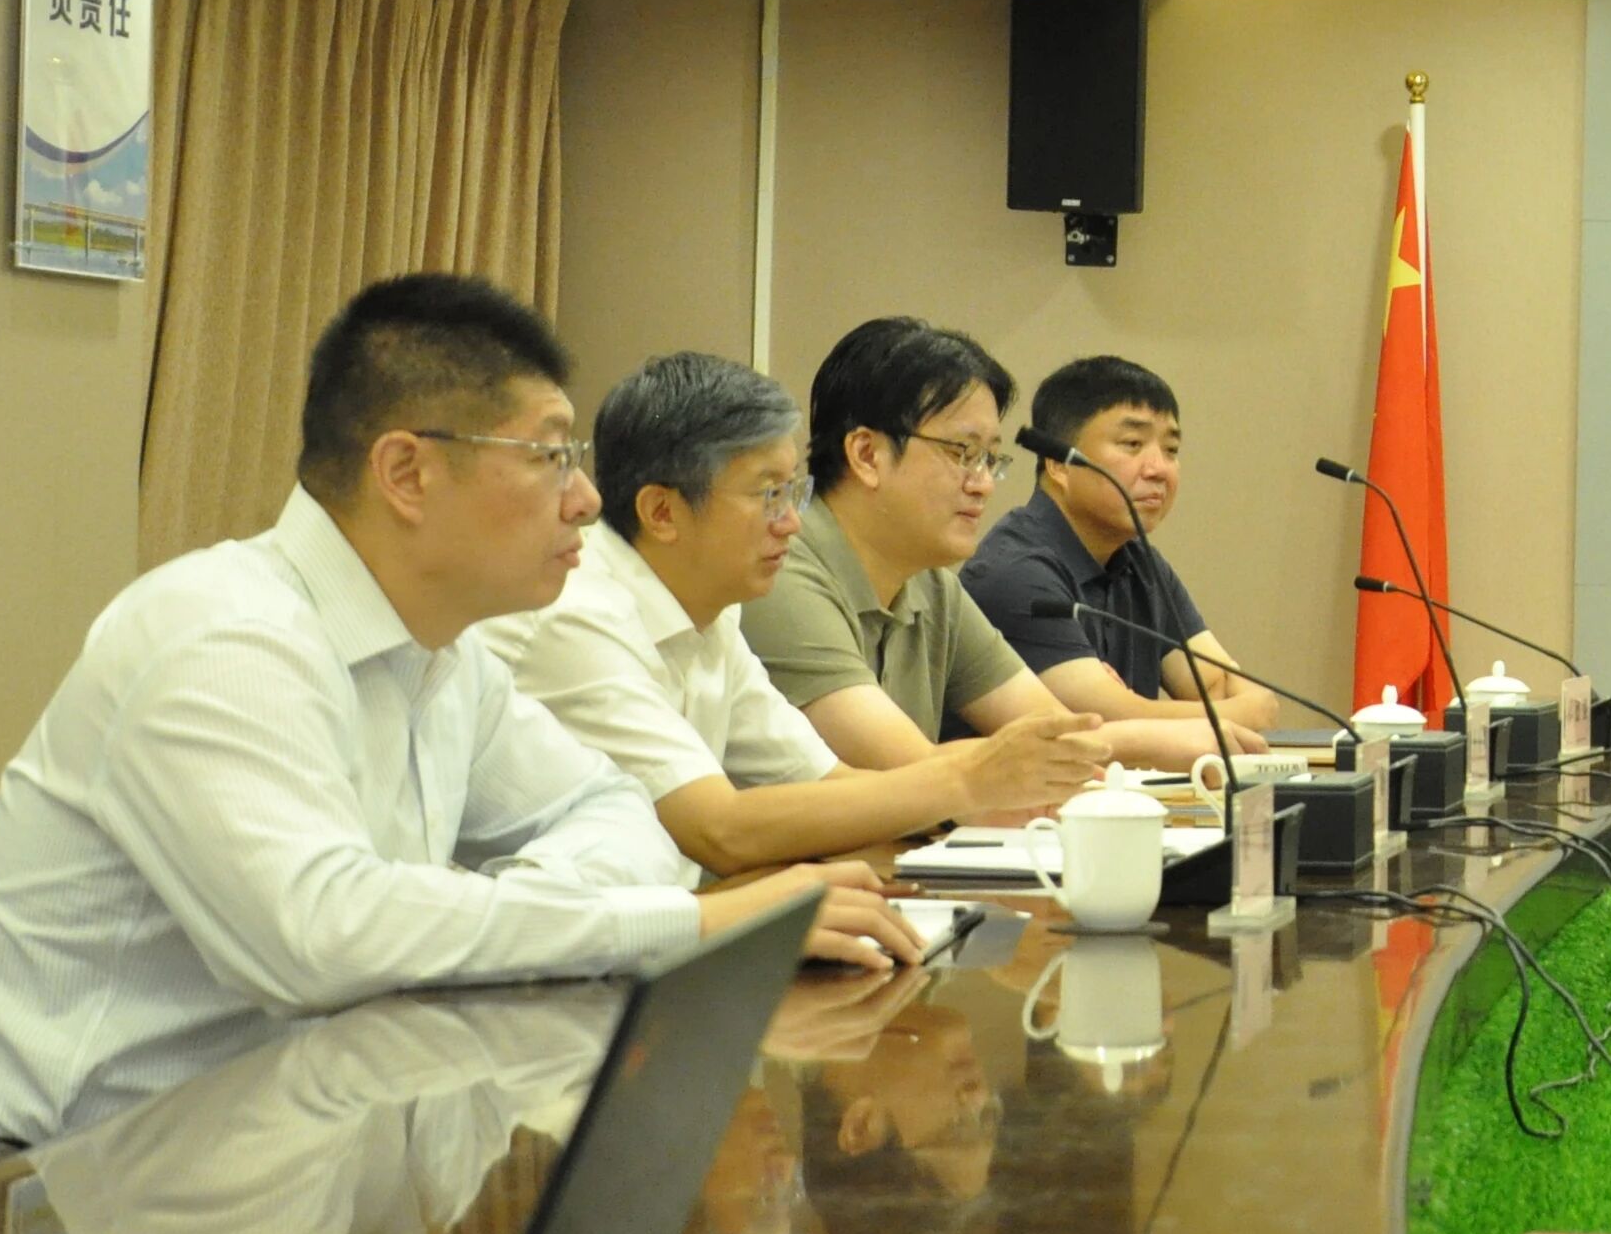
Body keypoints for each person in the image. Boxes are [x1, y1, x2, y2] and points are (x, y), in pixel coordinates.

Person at [0, 275, 908, 1145]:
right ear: (406, 473)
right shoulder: (220, 637)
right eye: (548, 457)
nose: (582, 499)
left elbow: (619, 815)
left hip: (309, 1139)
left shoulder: (447, 652)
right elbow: (324, 937)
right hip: (64, 1189)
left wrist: (528, 918)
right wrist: (695, 925)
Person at [491, 352, 1110, 874]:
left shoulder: (713, 615)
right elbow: (719, 829)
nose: (791, 522)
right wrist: (966, 782)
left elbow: (827, 782)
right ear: (662, 513)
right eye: (769, 495)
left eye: (794, 492)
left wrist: (980, 791)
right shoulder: (575, 613)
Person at [740, 319, 1236, 776]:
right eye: (963, 453)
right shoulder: (781, 570)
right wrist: (1147, 741)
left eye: (990, 460)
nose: (982, 484)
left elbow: (1049, 730)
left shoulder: (932, 585)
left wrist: (1161, 740)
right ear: (867, 455)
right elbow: (909, 769)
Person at [962, 355, 1282, 737]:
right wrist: (1245, 711)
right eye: (1132, 444)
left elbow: (1219, 685)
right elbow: (1106, 721)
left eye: (1171, 450)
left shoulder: (1140, 561)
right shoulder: (1014, 571)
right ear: (1059, 464)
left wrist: (1242, 708)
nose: (1159, 469)